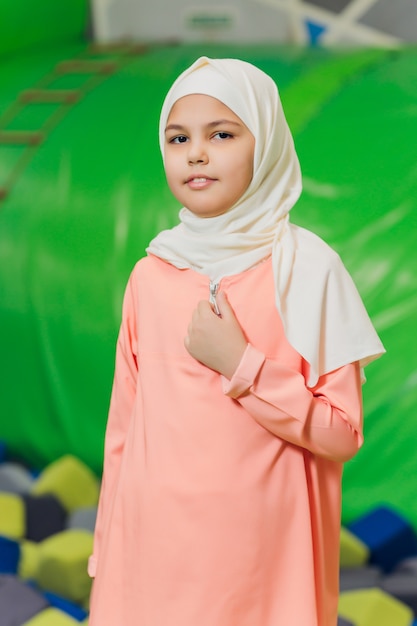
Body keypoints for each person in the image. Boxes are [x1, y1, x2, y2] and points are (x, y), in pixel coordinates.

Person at [87, 56, 385, 626]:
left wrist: (241, 365)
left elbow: (342, 433)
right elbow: (123, 432)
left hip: (260, 566)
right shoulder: (151, 275)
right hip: (151, 558)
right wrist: (107, 553)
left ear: (266, 142)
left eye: (221, 134)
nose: (196, 152)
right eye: (179, 138)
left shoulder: (307, 269)